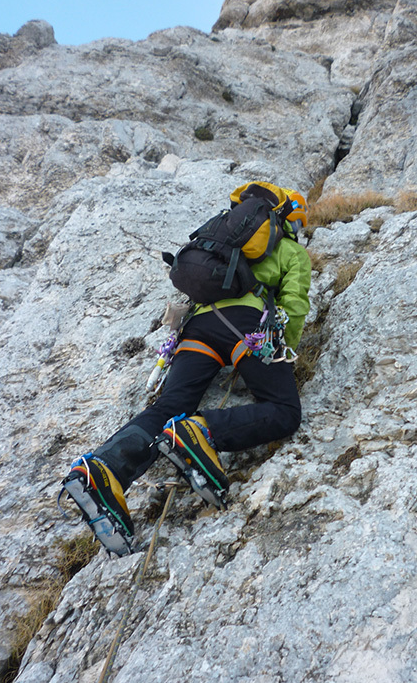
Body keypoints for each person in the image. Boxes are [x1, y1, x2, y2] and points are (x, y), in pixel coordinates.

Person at [61, 181, 312, 554]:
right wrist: (282, 352)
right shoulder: (291, 250)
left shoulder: (218, 240)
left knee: (167, 407)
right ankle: (199, 433)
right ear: (288, 221)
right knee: (284, 410)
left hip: (196, 328)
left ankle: (103, 469)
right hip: (247, 327)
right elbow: (293, 303)